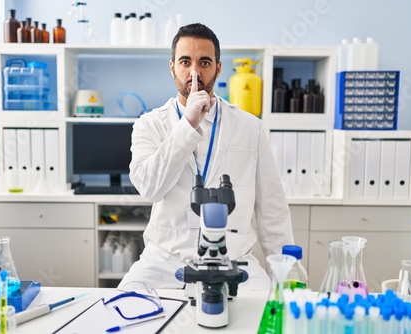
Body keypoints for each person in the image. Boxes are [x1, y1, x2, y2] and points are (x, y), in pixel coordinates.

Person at [119, 23, 294, 291]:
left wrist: (287, 279)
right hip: (165, 262)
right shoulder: (149, 124)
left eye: (204, 62)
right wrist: (188, 124)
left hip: (235, 262)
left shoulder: (250, 127)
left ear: (218, 68)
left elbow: (272, 210)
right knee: (124, 309)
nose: (194, 72)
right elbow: (149, 188)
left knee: (269, 321)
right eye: (185, 61)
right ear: (172, 67)